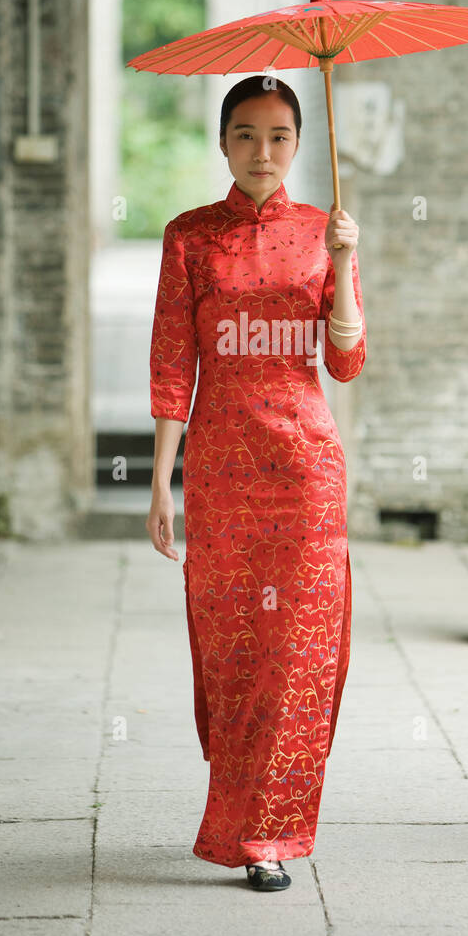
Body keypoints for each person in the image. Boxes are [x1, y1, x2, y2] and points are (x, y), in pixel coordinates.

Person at [146, 74, 366, 892]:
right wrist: (161, 483)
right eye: (244, 134)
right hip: (220, 469)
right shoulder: (188, 237)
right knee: (232, 652)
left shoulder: (324, 232)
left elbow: (345, 361)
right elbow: (174, 362)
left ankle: (267, 835)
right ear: (222, 142)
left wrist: (343, 267)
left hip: (305, 467)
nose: (261, 152)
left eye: (278, 136)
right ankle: (239, 807)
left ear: (299, 145)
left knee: (301, 651)